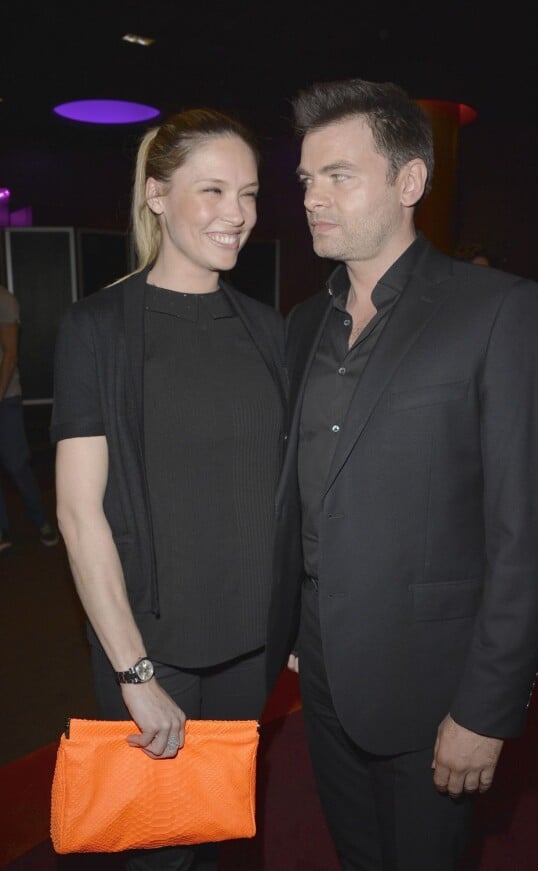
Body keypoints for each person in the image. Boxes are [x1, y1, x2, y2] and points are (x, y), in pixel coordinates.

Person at [265, 79, 538, 870]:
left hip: (437, 688)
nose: (313, 198)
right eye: (305, 179)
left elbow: (528, 535)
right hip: (324, 679)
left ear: (410, 181)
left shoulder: (498, 311)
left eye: (339, 175)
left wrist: (485, 709)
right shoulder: (304, 323)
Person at [51, 108, 287, 871]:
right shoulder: (98, 330)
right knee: (159, 853)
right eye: (212, 190)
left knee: (219, 829)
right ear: (157, 194)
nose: (237, 215)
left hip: (252, 645)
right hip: (154, 649)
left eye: (248, 193)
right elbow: (80, 515)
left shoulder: (268, 329)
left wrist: (297, 618)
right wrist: (135, 672)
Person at [0, 282, 59, 554]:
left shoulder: (5, 301)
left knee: (17, 465)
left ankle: (42, 521)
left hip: (6, 399)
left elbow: (10, 354)